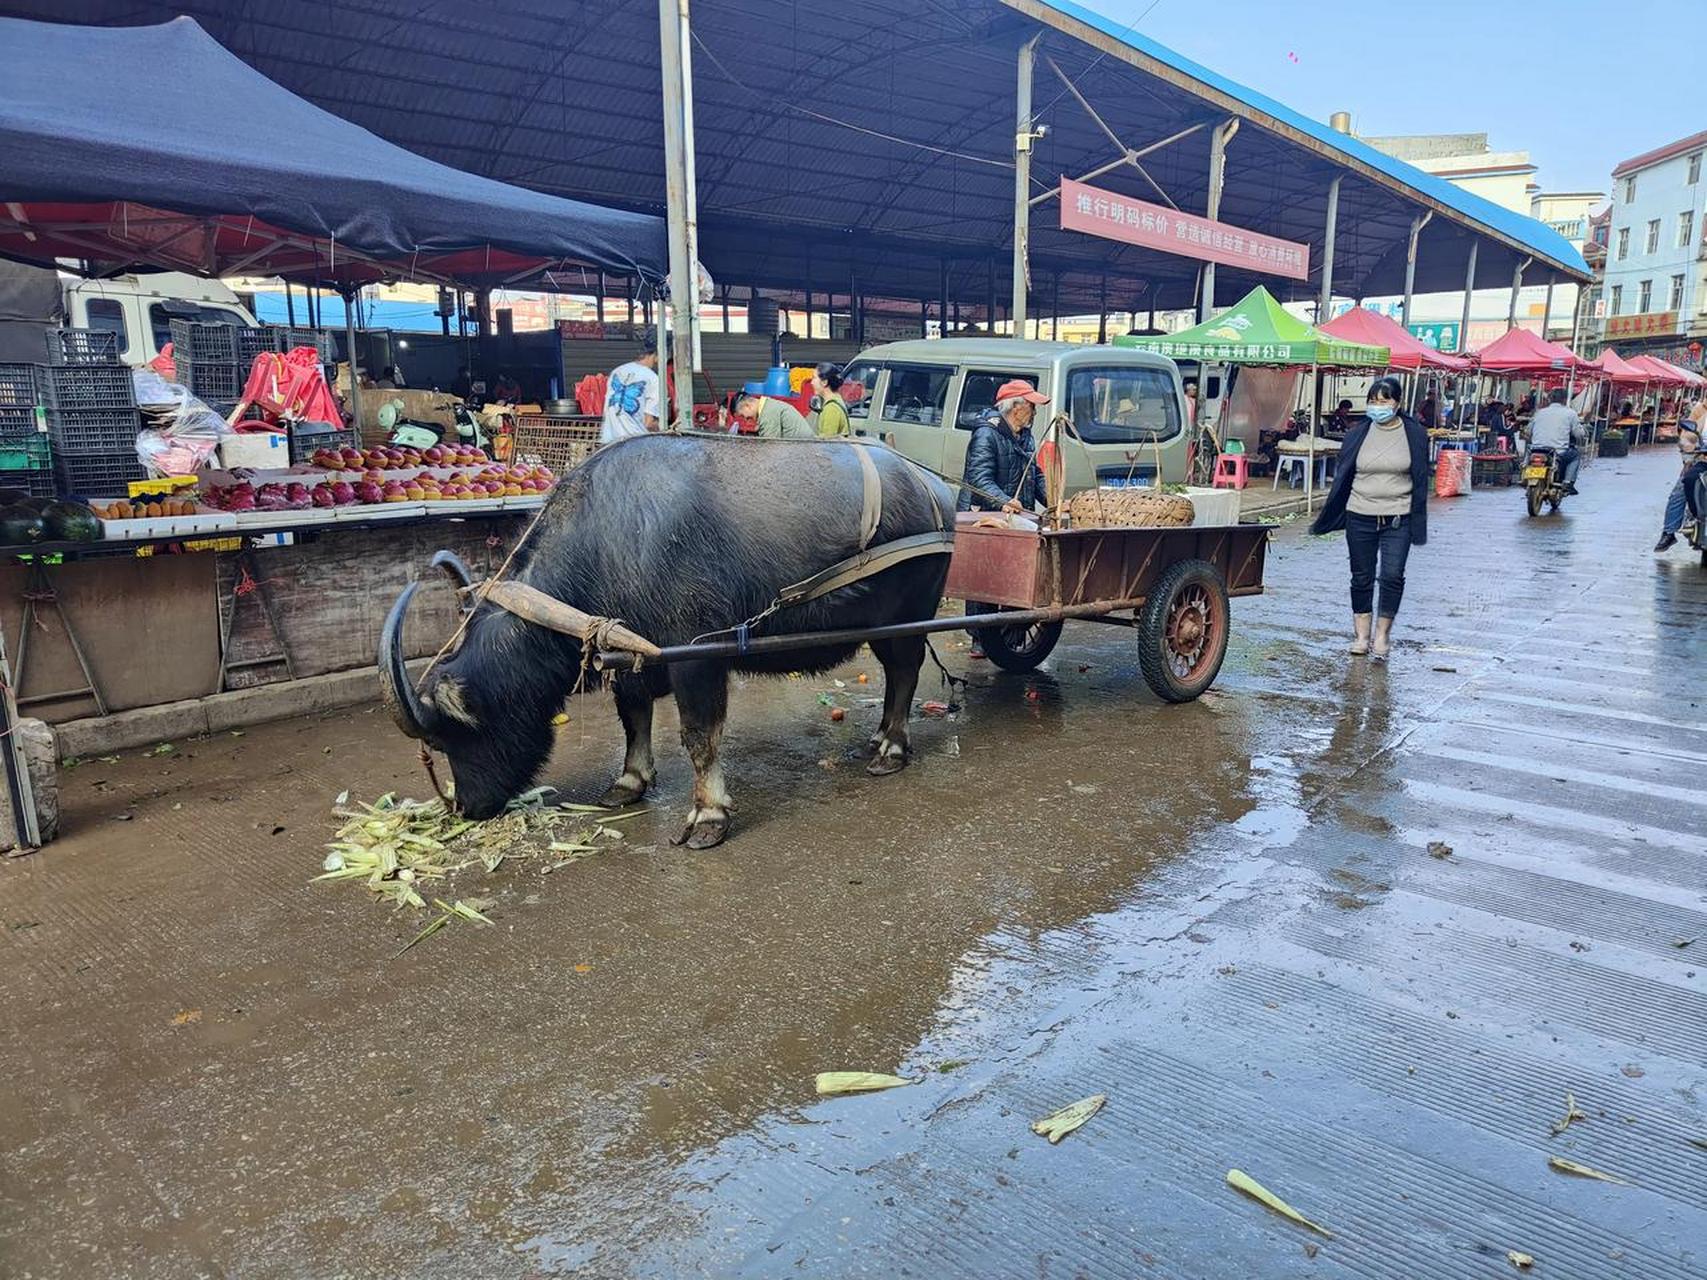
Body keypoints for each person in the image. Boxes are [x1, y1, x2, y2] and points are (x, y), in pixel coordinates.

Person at [1310, 375, 1430, 663]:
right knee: (1361, 577)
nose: (1378, 406)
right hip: (1360, 515)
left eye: (1384, 400)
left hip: (1397, 518)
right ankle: (1361, 636)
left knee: (1391, 576)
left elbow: (1422, 478)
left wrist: (1418, 518)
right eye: (1373, 401)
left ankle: (1382, 635)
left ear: (1397, 403)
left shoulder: (1414, 434)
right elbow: (1344, 474)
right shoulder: (1356, 434)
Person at [1655, 405, 1707, 551]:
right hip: (1702, 459)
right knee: (1685, 484)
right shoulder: (1701, 411)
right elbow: (1686, 438)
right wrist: (1688, 455)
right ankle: (1671, 531)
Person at [600, 336, 663, 444]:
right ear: (657, 353)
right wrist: (666, 428)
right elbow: (649, 424)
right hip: (635, 444)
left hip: (609, 442)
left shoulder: (617, 371)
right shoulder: (653, 379)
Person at [1526, 387, 1586, 494]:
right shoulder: (1570, 413)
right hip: (1558, 451)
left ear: (1550, 399)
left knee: (1528, 453)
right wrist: (1582, 435)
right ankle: (1568, 482)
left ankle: (1525, 470)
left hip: (1536, 449)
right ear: (1564, 400)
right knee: (1575, 455)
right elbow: (1578, 433)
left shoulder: (1539, 412)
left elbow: (1528, 431)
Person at [734, 390, 815, 438]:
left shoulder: (767, 412)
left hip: (804, 451)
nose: (745, 419)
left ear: (747, 406)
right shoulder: (768, 405)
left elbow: (771, 448)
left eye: (742, 415)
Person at [812, 364, 851, 438]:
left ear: (824, 382)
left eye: (814, 378)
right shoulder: (835, 401)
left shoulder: (831, 408)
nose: (812, 382)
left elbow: (827, 444)